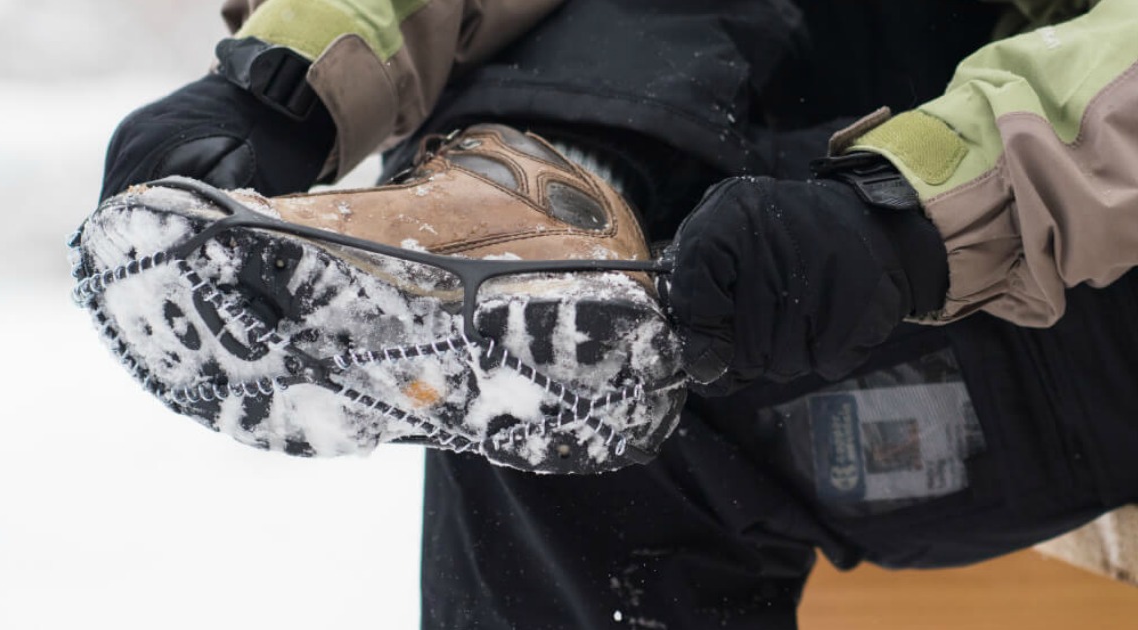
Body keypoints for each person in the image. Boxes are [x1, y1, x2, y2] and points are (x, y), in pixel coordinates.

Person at [88, 0, 1138, 627]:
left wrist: (918, 212)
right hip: (974, 152)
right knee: (556, 343)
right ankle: (542, 196)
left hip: (1083, 267)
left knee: (611, 384)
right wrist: (295, 76)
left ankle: (548, 229)